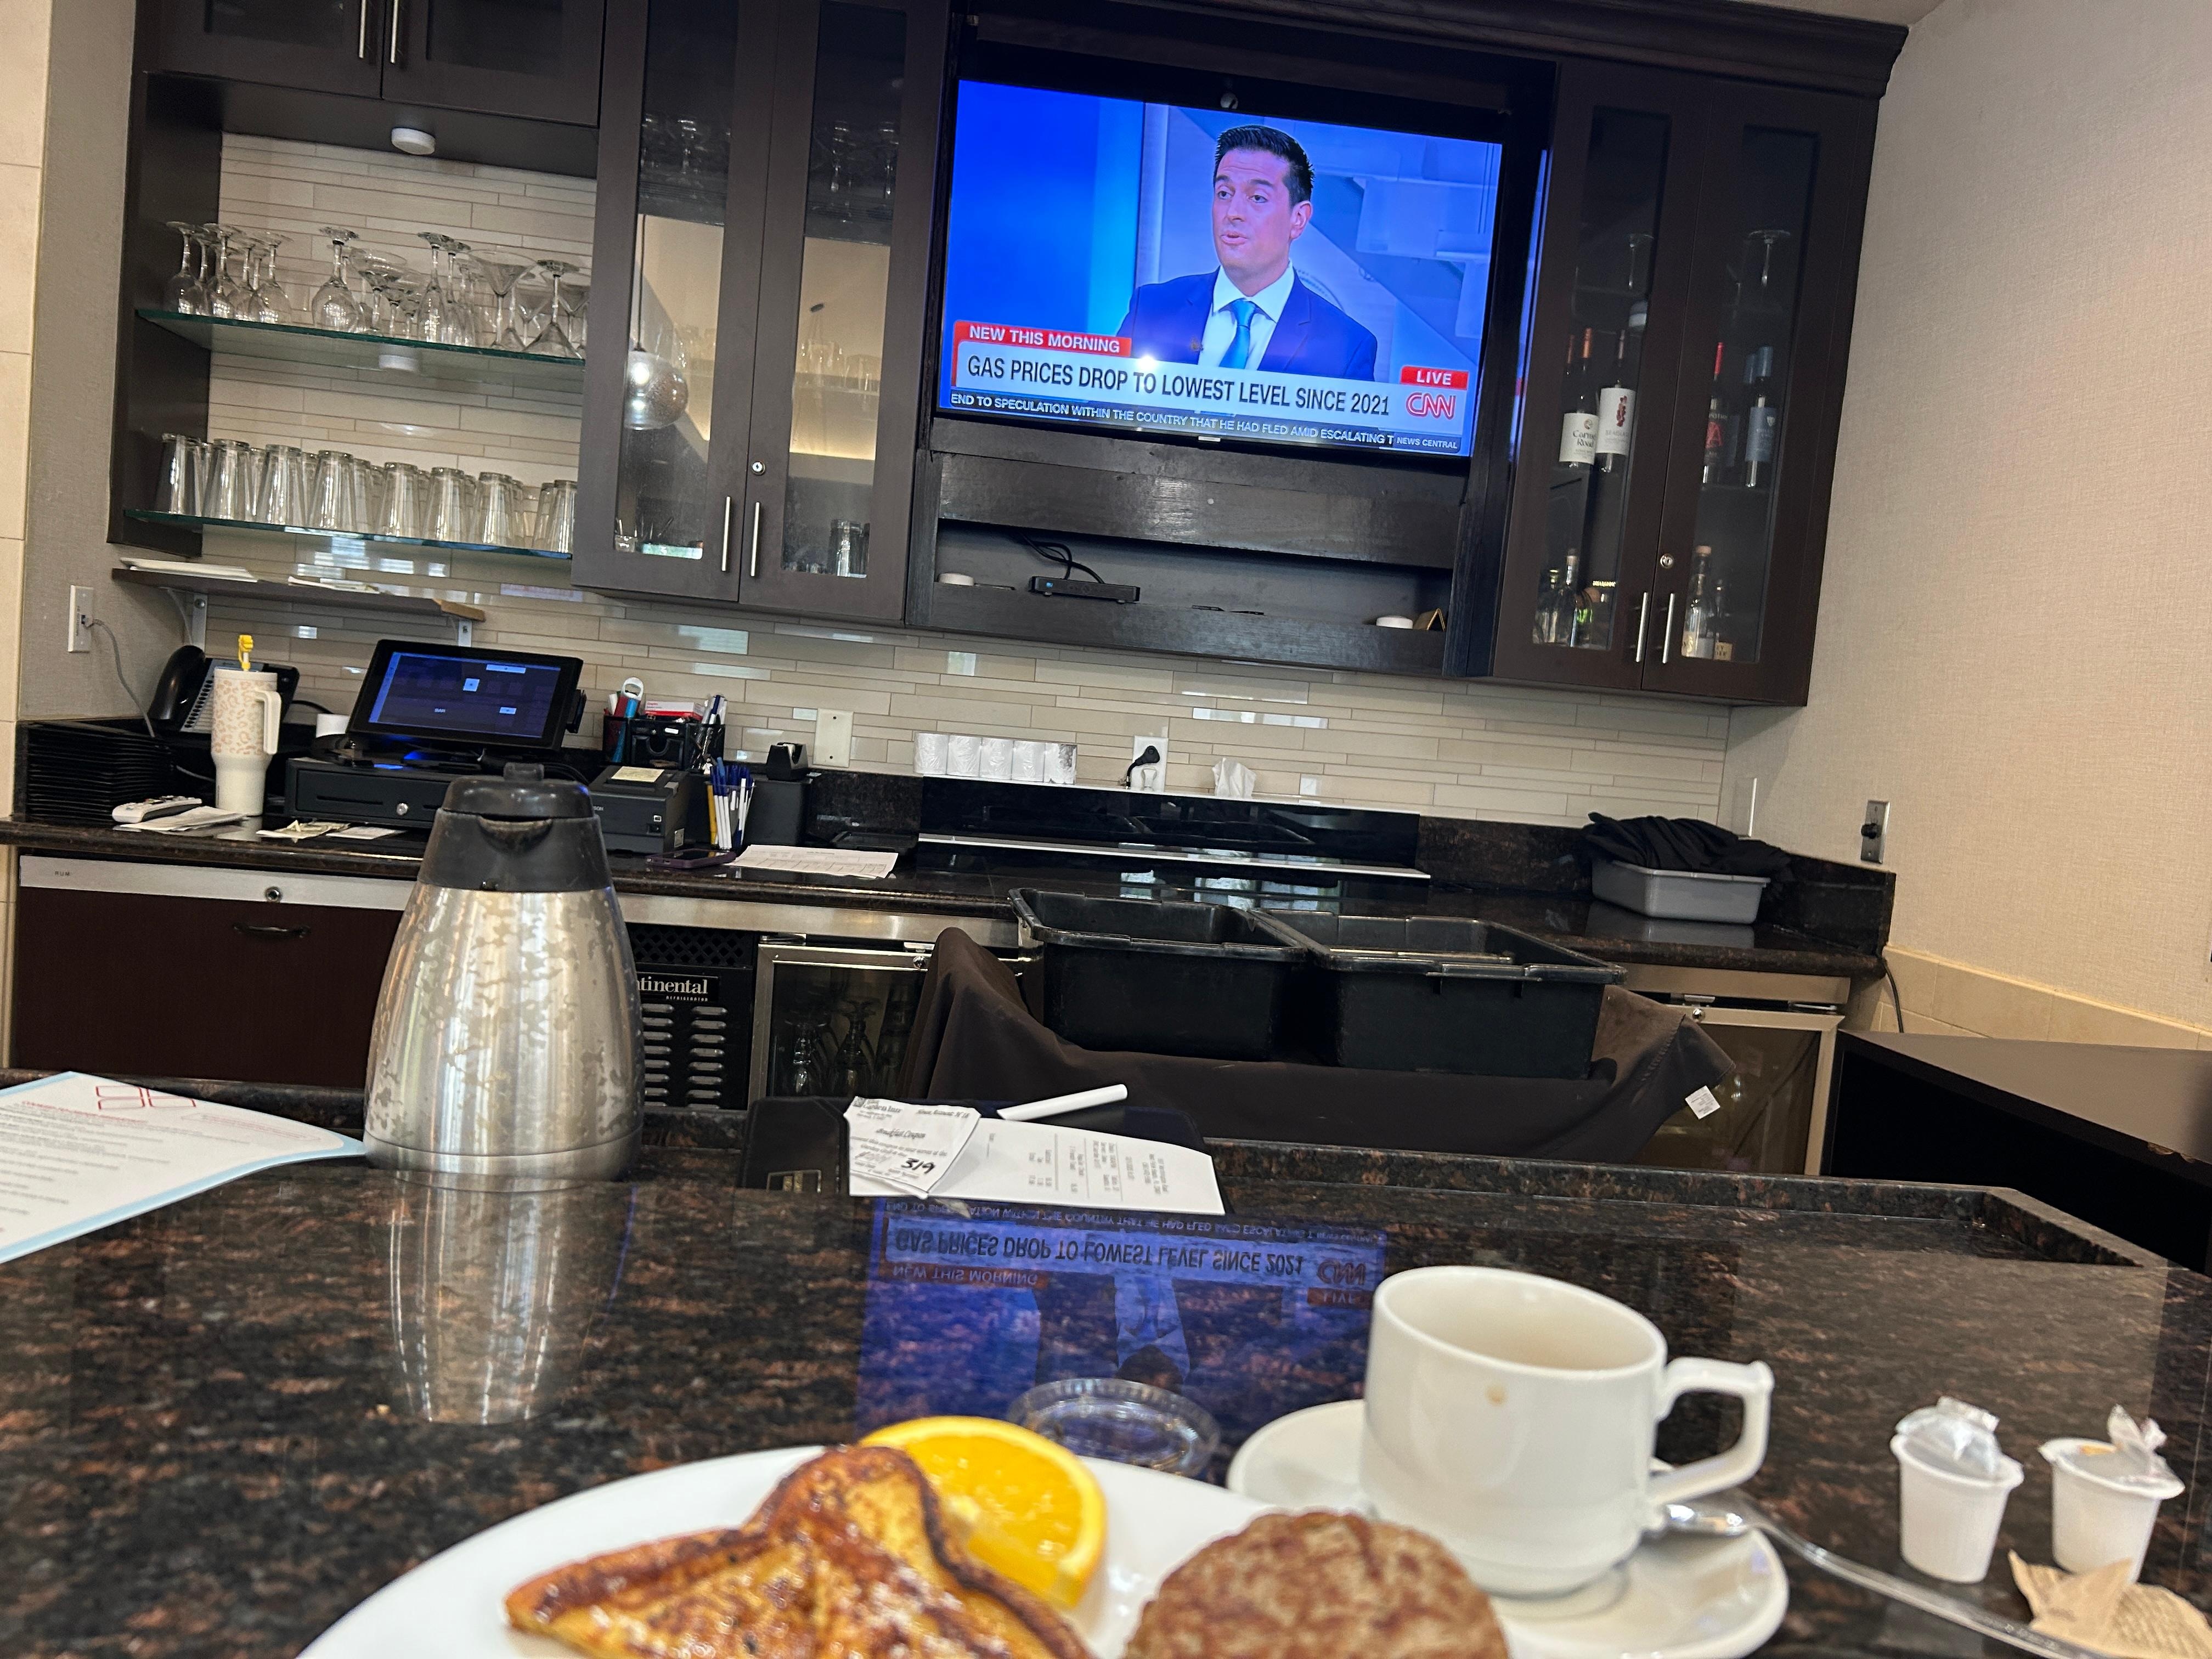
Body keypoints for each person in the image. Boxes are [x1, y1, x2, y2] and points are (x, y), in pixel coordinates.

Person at [1118, 124, 1379, 382]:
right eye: (1224, 193)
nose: (1233, 213)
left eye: (1257, 198)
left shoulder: (1347, 347)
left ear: (1298, 219)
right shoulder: (1151, 308)